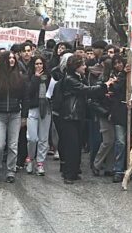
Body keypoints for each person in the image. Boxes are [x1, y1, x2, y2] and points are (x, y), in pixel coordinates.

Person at [56, 54, 112, 184]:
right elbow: (86, 90)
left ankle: (73, 172)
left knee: (77, 145)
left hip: (77, 115)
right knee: (72, 146)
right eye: (82, 64)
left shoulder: (78, 77)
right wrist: (104, 86)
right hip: (69, 116)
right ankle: (69, 174)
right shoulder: (70, 79)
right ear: (76, 66)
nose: (85, 67)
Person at [0, 50, 25, 183]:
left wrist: (24, 116)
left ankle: (10, 171)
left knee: (13, 145)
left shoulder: (20, 77)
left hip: (15, 114)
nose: (12, 60)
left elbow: (24, 98)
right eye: (9, 58)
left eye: (13, 58)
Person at [23, 55, 52, 176]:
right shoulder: (28, 77)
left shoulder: (49, 77)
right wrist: (35, 78)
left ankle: (40, 162)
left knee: (43, 138)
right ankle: (30, 158)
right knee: (32, 138)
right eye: (36, 64)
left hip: (45, 108)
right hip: (33, 109)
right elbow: (28, 92)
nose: (39, 66)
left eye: (41, 64)